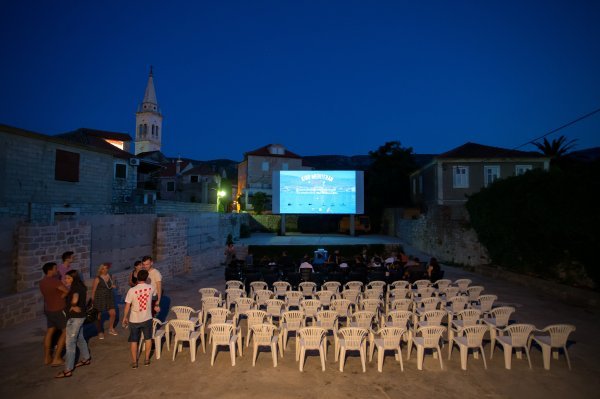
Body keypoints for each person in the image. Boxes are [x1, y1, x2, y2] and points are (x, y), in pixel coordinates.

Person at [55, 270, 91, 378]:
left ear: (74, 278)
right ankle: (86, 358)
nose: (66, 280)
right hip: (81, 318)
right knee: (80, 338)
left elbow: (75, 299)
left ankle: (68, 370)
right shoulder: (81, 286)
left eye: (68, 278)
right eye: (66, 278)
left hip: (74, 319)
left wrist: (73, 305)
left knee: (70, 343)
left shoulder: (75, 288)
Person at [122, 269, 156, 368]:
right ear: (146, 278)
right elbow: (154, 296)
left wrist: (124, 317)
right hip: (147, 317)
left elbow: (127, 305)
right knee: (148, 338)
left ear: (137, 278)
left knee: (134, 340)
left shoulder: (132, 290)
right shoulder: (151, 288)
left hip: (134, 319)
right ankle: (146, 359)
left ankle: (134, 362)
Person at [39, 262, 68, 366]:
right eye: (55, 268)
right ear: (50, 270)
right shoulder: (55, 282)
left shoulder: (42, 282)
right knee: (66, 331)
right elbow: (66, 291)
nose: (57, 270)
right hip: (59, 310)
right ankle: (57, 357)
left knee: (50, 332)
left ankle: (47, 357)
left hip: (49, 310)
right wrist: (61, 297)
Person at [91, 263, 118, 339]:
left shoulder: (110, 276)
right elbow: (93, 290)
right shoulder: (97, 278)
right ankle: (100, 332)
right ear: (100, 269)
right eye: (103, 268)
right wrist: (92, 301)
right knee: (99, 315)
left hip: (109, 297)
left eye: (106, 268)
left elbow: (112, 285)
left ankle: (111, 328)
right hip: (100, 298)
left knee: (113, 313)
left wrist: (113, 286)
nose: (105, 270)